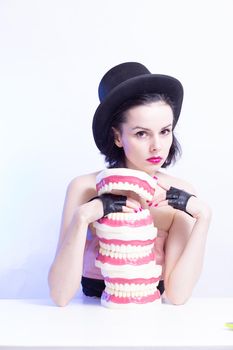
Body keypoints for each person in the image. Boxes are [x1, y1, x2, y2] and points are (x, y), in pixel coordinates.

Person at [48, 62, 212, 307]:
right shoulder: (84, 187)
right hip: (93, 320)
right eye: (141, 133)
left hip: (153, 321)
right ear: (117, 136)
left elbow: (177, 295)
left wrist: (204, 217)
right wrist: (83, 217)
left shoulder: (180, 193)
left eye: (165, 131)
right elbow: (60, 296)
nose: (157, 145)